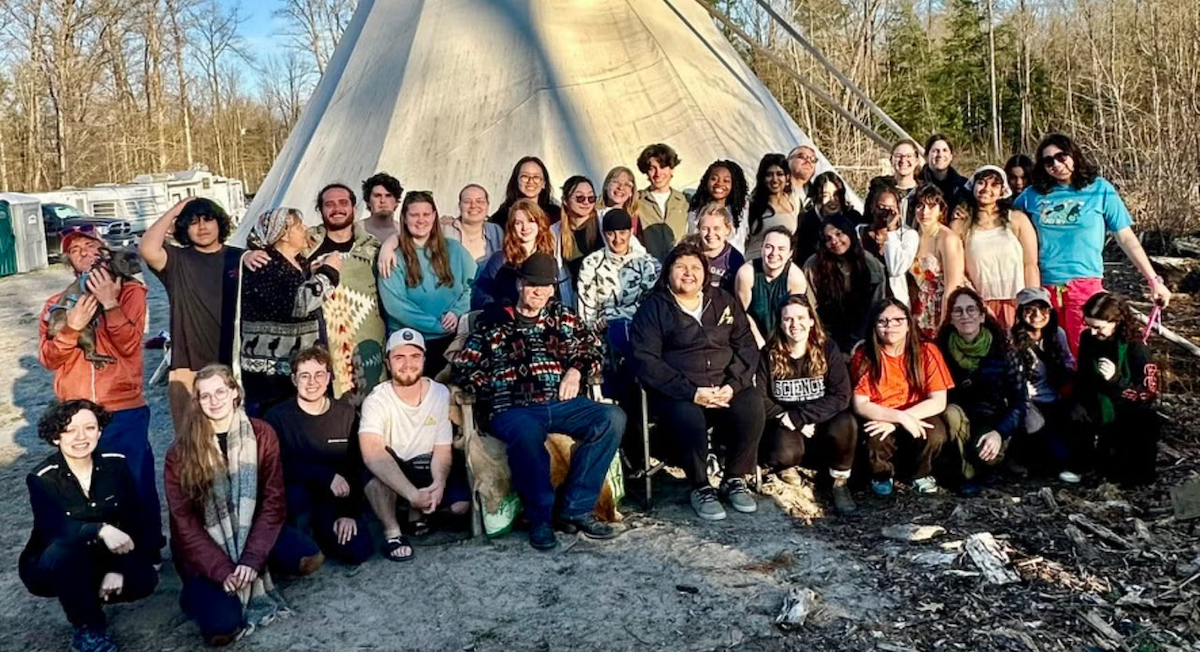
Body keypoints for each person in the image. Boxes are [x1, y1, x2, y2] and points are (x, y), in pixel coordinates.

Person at [453, 254, 625, 550]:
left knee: (612, 417)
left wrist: (576, 369)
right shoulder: (494, 320)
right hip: (513, 409)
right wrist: (495, 384)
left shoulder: (563, 317)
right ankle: (540, 519)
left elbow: (592, 351)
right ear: (520, 284)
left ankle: (577, 507)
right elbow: (464, 367)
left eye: (546, 286)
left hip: (560, 403)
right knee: (527, 433)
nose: (539, 292)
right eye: (533, 284)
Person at [165, 364, 320, 646]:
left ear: (235, 393)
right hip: (207, 546)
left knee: (307, 558)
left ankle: (258, 567)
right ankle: (197, 592)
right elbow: (183, 521)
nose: (215, 401)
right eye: (205, 395)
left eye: (221, 392)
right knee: (222, 628)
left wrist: (251, 558)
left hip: (252, 529)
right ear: (197, 402)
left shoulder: (261, 434)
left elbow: (274, 501)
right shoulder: (180, 452)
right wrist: (221, 568)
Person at [39, 228, 164, 561]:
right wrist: (71, 328)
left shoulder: (132, 292)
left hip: (123, 406)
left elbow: (127, 345)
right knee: (87, 487)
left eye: (89, 245)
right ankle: (101, 552)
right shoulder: (56, 304)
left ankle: (146, 550)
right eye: (75, 249)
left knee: (134, 480)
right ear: (69, 262)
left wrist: (110, 304)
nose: (82, 252)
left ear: (103, 252)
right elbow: (49, 358)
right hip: (77, 410)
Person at [632, 242, 765, 521]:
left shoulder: (724, 301)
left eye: (695, 267)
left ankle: (734, 478)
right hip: (678, 392)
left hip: (725, 386)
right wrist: (691, 392)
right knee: (687, 416)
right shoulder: (653, 308)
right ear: (668, 272)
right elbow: (646, 360)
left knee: (752, 402)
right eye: (680, 267)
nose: (688, 273)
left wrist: (734, 385)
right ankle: (700, 485)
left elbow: (747, 346)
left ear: (705, 273)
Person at [1013, 133, 1170, 355]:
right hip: (1044, 286)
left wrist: (1153, 281)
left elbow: (1125, 237)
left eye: (1061, 156)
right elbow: (1002, 221)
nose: (1057, 164)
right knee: (1049, 351)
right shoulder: (1032, 195)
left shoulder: (1099, 189)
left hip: (1084, 284)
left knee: (1085, 350)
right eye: (1049, 161)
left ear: (1074, 155)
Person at [20, 400, 158, 652]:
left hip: (104, 554)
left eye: (89, 428)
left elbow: (133, 517)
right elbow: (54, 528)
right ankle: (88, 627)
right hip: (56, 558)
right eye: (70, 430)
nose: (81, 437)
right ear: (55, 437)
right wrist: (100, 529)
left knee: (143, 579)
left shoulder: (116, 464)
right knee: (67, 552)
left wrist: (116, 569)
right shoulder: (42, 477)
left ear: (100, 431)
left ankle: (87, 593)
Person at [360, 329, 472, 561]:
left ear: (423, 359)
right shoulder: (376, 399)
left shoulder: (440, 394)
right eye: (399, 357)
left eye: (414, 356)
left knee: (460, 507)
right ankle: (393, 533)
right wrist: (411, 493)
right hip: (395, 467)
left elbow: (443, 448)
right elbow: (372, 453)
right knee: (374, 480)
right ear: (388, 363)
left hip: (426, 464)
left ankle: (419, 510)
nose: (407, 364)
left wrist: (439, 483)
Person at [140, 197, 244, 429]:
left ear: (220, 223)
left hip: (235, 361)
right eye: (193, 222)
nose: (202, 227)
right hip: (189, 365)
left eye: (208, 219)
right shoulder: (177, 260)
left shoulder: (240, 258)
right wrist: (176, 210)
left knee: (238, 436)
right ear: (184, 228)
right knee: (192, 441)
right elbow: (147, 248)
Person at [264, 347, 372, 567]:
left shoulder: (346, 414)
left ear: (329, 377)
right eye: (305, 376)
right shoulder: (276, 417)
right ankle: (300, 537)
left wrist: (348, 512)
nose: (312, 382)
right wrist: (323, 475)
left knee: (359, 550)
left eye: (319, 375)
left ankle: (322, 534)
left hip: (334, 500)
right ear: (294, 379)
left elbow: (356, 466)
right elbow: (274, 467)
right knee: (295, 500)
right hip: (295, 498)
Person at [756, 297, 857, 514]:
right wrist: (790, 418)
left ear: (812, 320)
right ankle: (789, 466)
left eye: (801, 317)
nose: (795, 324)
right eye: (788, 319)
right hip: (786, 423)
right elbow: (761, 398)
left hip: (822, 421)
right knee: (782, 454)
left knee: (846, 423)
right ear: (780, 323)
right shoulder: (769, 353)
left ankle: (839, 482)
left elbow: (841, 395)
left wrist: (801, 417)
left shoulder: (827, 348)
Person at [240, 208, 341, 417]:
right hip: (273, 373)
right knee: (279, 422)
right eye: (298, 226)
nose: (305, 229)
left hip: (295, 364)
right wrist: (329, 272)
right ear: (284, 234)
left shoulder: (298, 262)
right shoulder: (265, 265)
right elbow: (299, 305)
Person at [851, 299, 953, 496]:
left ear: (908, 324)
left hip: (919, 412)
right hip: (881, 414)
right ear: (874, 325)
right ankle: (881, 475)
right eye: (883, 321)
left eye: (898, 320)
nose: (890, 327)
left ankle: (919, 474)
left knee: (934, 433)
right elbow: (860, 404)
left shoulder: (927, 351)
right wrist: (897, 418)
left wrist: (903, 418)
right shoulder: (865, 356)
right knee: (875, 436)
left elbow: (938, 400)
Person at [937, 287, 1026, 495]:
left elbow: (1019, 402)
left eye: (971, 310)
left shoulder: (1004, 352)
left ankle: (987, 467)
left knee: (986, 453)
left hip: (991, 420)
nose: (965, 316)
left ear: (982, 316)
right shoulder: (940, 350)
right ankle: (964, 472)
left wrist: (999, 432)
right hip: (952, 419)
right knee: (950, 413)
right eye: (958, 311)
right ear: (950, 318)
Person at [377, 191, 476, 377]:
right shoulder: (393, 257)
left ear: (434, 216)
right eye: (414, 215)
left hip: (454, 341)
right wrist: (437, 326)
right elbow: (396, 306)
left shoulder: (454, 249)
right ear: (405, 218)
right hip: (412, 344)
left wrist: (457, 312)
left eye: (426, 214)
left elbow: (474, 284)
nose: (420, 220)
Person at [306, 183, 387, 405]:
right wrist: (248, 255)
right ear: (320, 210)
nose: (337, 209)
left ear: (354, 207)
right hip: (323, 343)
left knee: (373, 409)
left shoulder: (372, 250)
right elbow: (267, 243)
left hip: (367, 342)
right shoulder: (306, 246)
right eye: (329, 204)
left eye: (343, 203)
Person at [1074, 292, 1160, 487]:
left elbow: (1148, 393)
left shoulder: (1136, 347)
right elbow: (1083, 376)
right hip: (1097, 406)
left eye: (1099, 328)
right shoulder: (1088, 339)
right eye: (1089, 326)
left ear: (1116, 322)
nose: (1093, 332)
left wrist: (1116, 379)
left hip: (1129, 412)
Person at [951, 165, 1040, 331]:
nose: (986, 189)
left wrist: (1032, 302)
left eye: (994, 185)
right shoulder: (960, 224)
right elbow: (958, 271)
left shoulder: (1017, 219)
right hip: (979, 307)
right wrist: (977, 303)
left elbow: (1031, 264)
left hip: (1017, 304)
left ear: (1002, 191)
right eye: (982, 183)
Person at [576, 209, 661, 363]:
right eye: (611, 234)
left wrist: (611, 315)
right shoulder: (591, 264)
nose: (617, 239)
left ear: (631, 232)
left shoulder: (648, 264)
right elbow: (586, 313)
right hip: (602, 345)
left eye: (622, 233)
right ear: (603, 233)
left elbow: (649, 305)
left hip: (640, 340)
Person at [1011, 287, 1078, 481]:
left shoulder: (1058, 335)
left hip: (1055, 399)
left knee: (1061, 452)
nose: (1037, 315)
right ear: (1021, 312)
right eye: (1030, 309)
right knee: (1034, 426)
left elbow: (1069, 364)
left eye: (1043, 309)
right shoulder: (1011, 338)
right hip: (1027, 401)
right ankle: (1020, 459)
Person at [803, 215, 886, 352]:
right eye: (828, 239)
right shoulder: (813, 265)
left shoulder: (870, 263)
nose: (834, 241)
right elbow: (809, 304)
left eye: (839, 234)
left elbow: (876, 305)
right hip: (826, 332)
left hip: (863, 331)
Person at [472, 199, 575, 310]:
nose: (525, 227)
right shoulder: (500, 260)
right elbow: (482, 296)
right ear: (512, 227)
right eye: (518, 223)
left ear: (539, 224)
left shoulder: (549, 259)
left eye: (530, 221)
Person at [735, 226, 811, 348]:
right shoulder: (746, 273)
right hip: (752, 335)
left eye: (781, 249)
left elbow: (794, 317)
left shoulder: (795, 279)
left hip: (785, 336)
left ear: (790, 253)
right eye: (769, 247)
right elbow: (742, 313)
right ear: (762, 248)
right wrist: (759, 342)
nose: (774, 253)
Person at [910, 185, 965, 338]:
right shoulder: (913, 236)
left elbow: (952, 286)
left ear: (941, 210)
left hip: (947, 305)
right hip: (922, 308)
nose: (924, 212)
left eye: (931, 206)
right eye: (920, 206)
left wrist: (944, 323)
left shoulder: (947, 238)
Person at [862, 182, 919, 307]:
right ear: (872, 207)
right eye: (881, 207)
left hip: (895, 302)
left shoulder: (908, 235)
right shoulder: (859, 232)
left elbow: (896, 268)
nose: (886, 213)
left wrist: (891, 231)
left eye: (891, 208)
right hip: (865, 302)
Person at [795, 171, 862, 266]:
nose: (832, 200)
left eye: (836, 194)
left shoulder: (853, 217)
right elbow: (803, 255)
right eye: (826, 195)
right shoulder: (808, 221)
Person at [636, 143, 689, 261]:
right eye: (652, 168)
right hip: (649, 269)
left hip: (678, 267)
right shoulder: (637, 200)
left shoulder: (685, 201)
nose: (658, 173)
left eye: (663, 166)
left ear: (672, 168)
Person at [687, 160, 750, 253]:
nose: (719, 184)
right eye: (714, 179)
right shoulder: (696, 211)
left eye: (726, 181)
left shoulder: (743, 210)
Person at [746, 153, 799, 261]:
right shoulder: (751, 205)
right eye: (769, 174)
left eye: (779, 174)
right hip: (754, 264)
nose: (774, 179)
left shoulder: (794, 201)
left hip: (781, 265)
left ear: (787, 177)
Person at [553, 175, 605, 281]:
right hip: (576, 294)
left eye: (591, 198)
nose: (586, 202)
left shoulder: (604, 220)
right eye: (580, 197)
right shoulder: (555, 232)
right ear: (565, 201)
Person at [490, 156, 561, 229]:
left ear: (544, 184)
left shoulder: (556, 215)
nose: (530, 181)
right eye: (525, 176)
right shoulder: (501, 217)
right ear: (516, 181)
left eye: (536, 177)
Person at [441, 184, 504, 263]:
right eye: (467, 201)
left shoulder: (496, 231)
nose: (473, 206)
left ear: (487, 205)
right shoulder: (445, 230)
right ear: (459, 206)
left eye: (479, 201)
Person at [693, 203, 745, 294]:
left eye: (716, 228)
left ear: (727, 230)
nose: (710, 234)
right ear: (698, 229)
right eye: (705, 228)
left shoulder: (735, 258)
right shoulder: (688, 252)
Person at [916, 134, 971, 215]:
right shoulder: (916, 184)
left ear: (951, 156)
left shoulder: (963, 186)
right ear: (927, 156)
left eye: (945, 150)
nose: (940, 155)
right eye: (935, 151)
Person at [869, 139, 920, 222]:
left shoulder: (924, 192)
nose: (903, 160)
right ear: (891, 160)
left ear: (916, 160)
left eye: (909, 156)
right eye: (898, 156)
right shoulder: (878, 190)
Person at [597, 166, 643, 235]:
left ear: (631, 192)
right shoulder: (593, 216)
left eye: (627, 184)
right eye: (615, 182)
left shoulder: (636, 220)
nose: (621, 187)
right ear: (606, 185)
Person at [360, 172, 402, 242]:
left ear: (396, 201)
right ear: (368, 201)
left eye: (388, 196)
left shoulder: (405, 233)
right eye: (377, 196)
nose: (382, 201)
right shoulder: (354, 231)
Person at [786, 145, 819, 212]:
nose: (808, 161)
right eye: (802, 157)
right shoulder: (776, 187)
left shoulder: (818, 195)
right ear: (789, 160)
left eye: (813, 159)